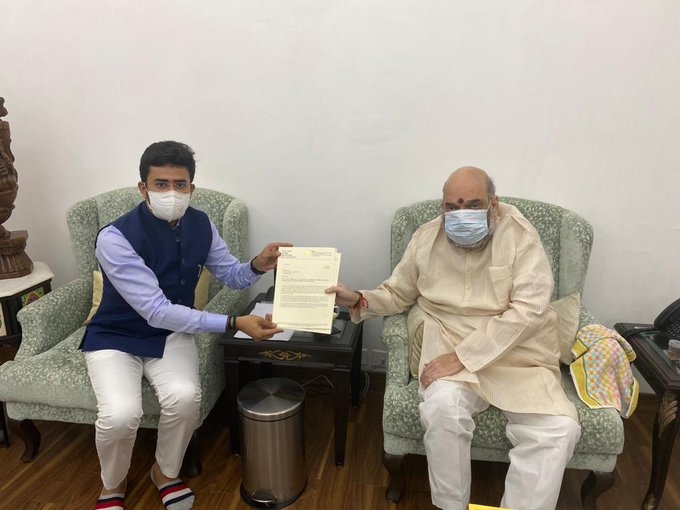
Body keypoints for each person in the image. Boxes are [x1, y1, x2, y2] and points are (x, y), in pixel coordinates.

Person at [327, 166, 581, 510]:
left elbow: (528, 310)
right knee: (442, 407)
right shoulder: (426, 237)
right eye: (452, 206)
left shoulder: (521, 236)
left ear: (494, 204)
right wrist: (358, 298)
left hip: (516, 352)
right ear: (442, 207)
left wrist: (464, 356)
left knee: (558, 431)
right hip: (447, 338)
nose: (461, 214)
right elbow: (398, 292)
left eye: (473, 205)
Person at [80, 141, 290, 510]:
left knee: (185, 397)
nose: (172, 193)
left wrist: (258, 264)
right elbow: (155, 310)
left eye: (180, 184)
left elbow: (231, 274)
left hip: (172, 334)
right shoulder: (114, 237)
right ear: (143, 188)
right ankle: (112, 485)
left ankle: (165, 473)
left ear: (192, 187)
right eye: (161, 184)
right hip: (116, 336)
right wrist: (232, 322)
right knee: (120, 415)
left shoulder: (201, 224)